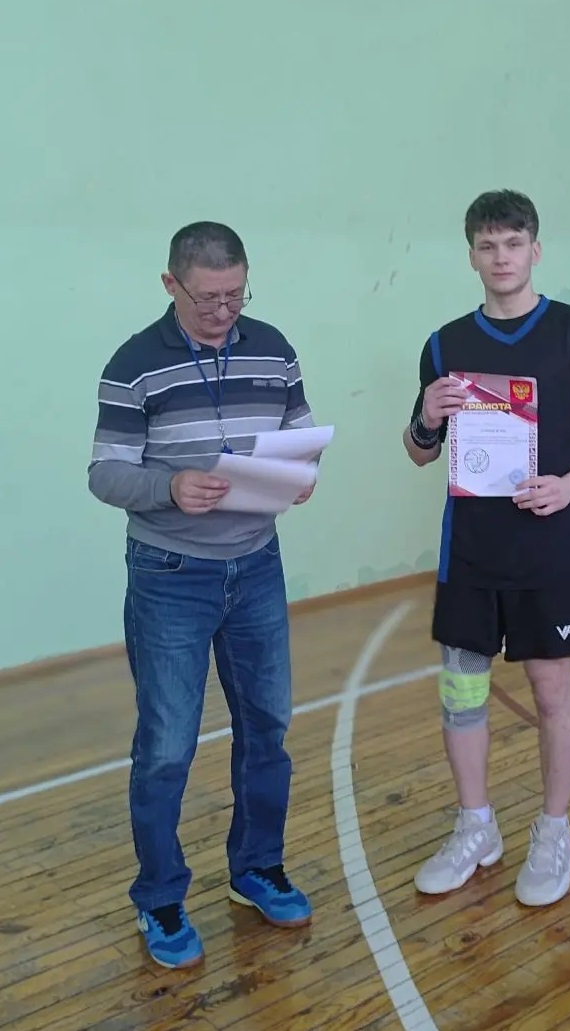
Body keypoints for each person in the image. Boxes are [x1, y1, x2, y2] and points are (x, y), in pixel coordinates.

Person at [88, 221, 315, 969]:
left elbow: (299, 430)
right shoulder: (133, 365)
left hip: (257, 565)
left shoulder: (273, 347)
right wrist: (170, 485)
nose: (224, 311)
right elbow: (105, 473)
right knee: (165, 747)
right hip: (169, 575)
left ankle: (257, 868)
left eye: (236, 295)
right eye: (208, 298)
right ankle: (159, 896)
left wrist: (302, 475)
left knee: (267, 727)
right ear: (171, 285)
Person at [403, 190, 570, 908]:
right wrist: (424, 414)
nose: (500, 257)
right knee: (461, 691)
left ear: (535, 249)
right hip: (469, 554)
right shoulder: (444, 344)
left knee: (551, 693)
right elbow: (420, 451)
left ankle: (553, 829)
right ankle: (476, 825)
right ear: (471, 255)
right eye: (487, 246)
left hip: (548, 551)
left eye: (512, 244)